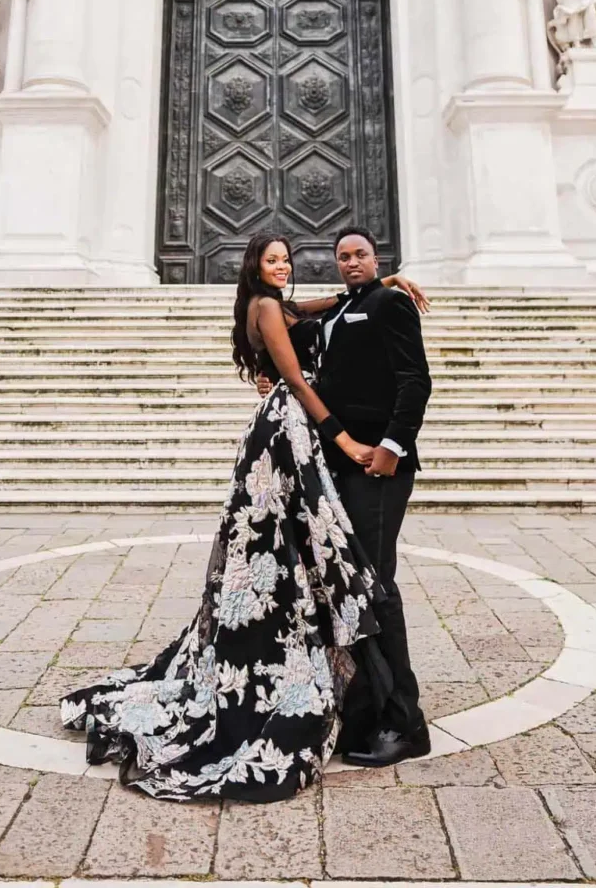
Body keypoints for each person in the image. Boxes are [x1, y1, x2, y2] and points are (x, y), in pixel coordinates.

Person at [60, 234, 427, 802]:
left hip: (331, 449)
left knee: (351, 577)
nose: (283, 267)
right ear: (254, 267)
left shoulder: (332, 303)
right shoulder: (265, 307)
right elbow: (298, 376)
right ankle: (365, 704)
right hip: (301, 439)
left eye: (287, 259)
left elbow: (344, 330)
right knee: (311, 570)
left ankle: (395, 715)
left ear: (372, 259)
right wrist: (344, 437)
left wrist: (382, 286)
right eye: (271, 260)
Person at [311, 226, 433, 765]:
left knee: (377, 586)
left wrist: (391, 447)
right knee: (354, 585)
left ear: (376, 257)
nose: (351, 262)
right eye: (343, 256)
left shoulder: (389, 305)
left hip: (379, 467)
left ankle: (406, 724)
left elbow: (415, 380)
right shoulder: (341, 310)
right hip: (340, 464)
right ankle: (366, 707)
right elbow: (279, 312)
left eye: (360, 254)